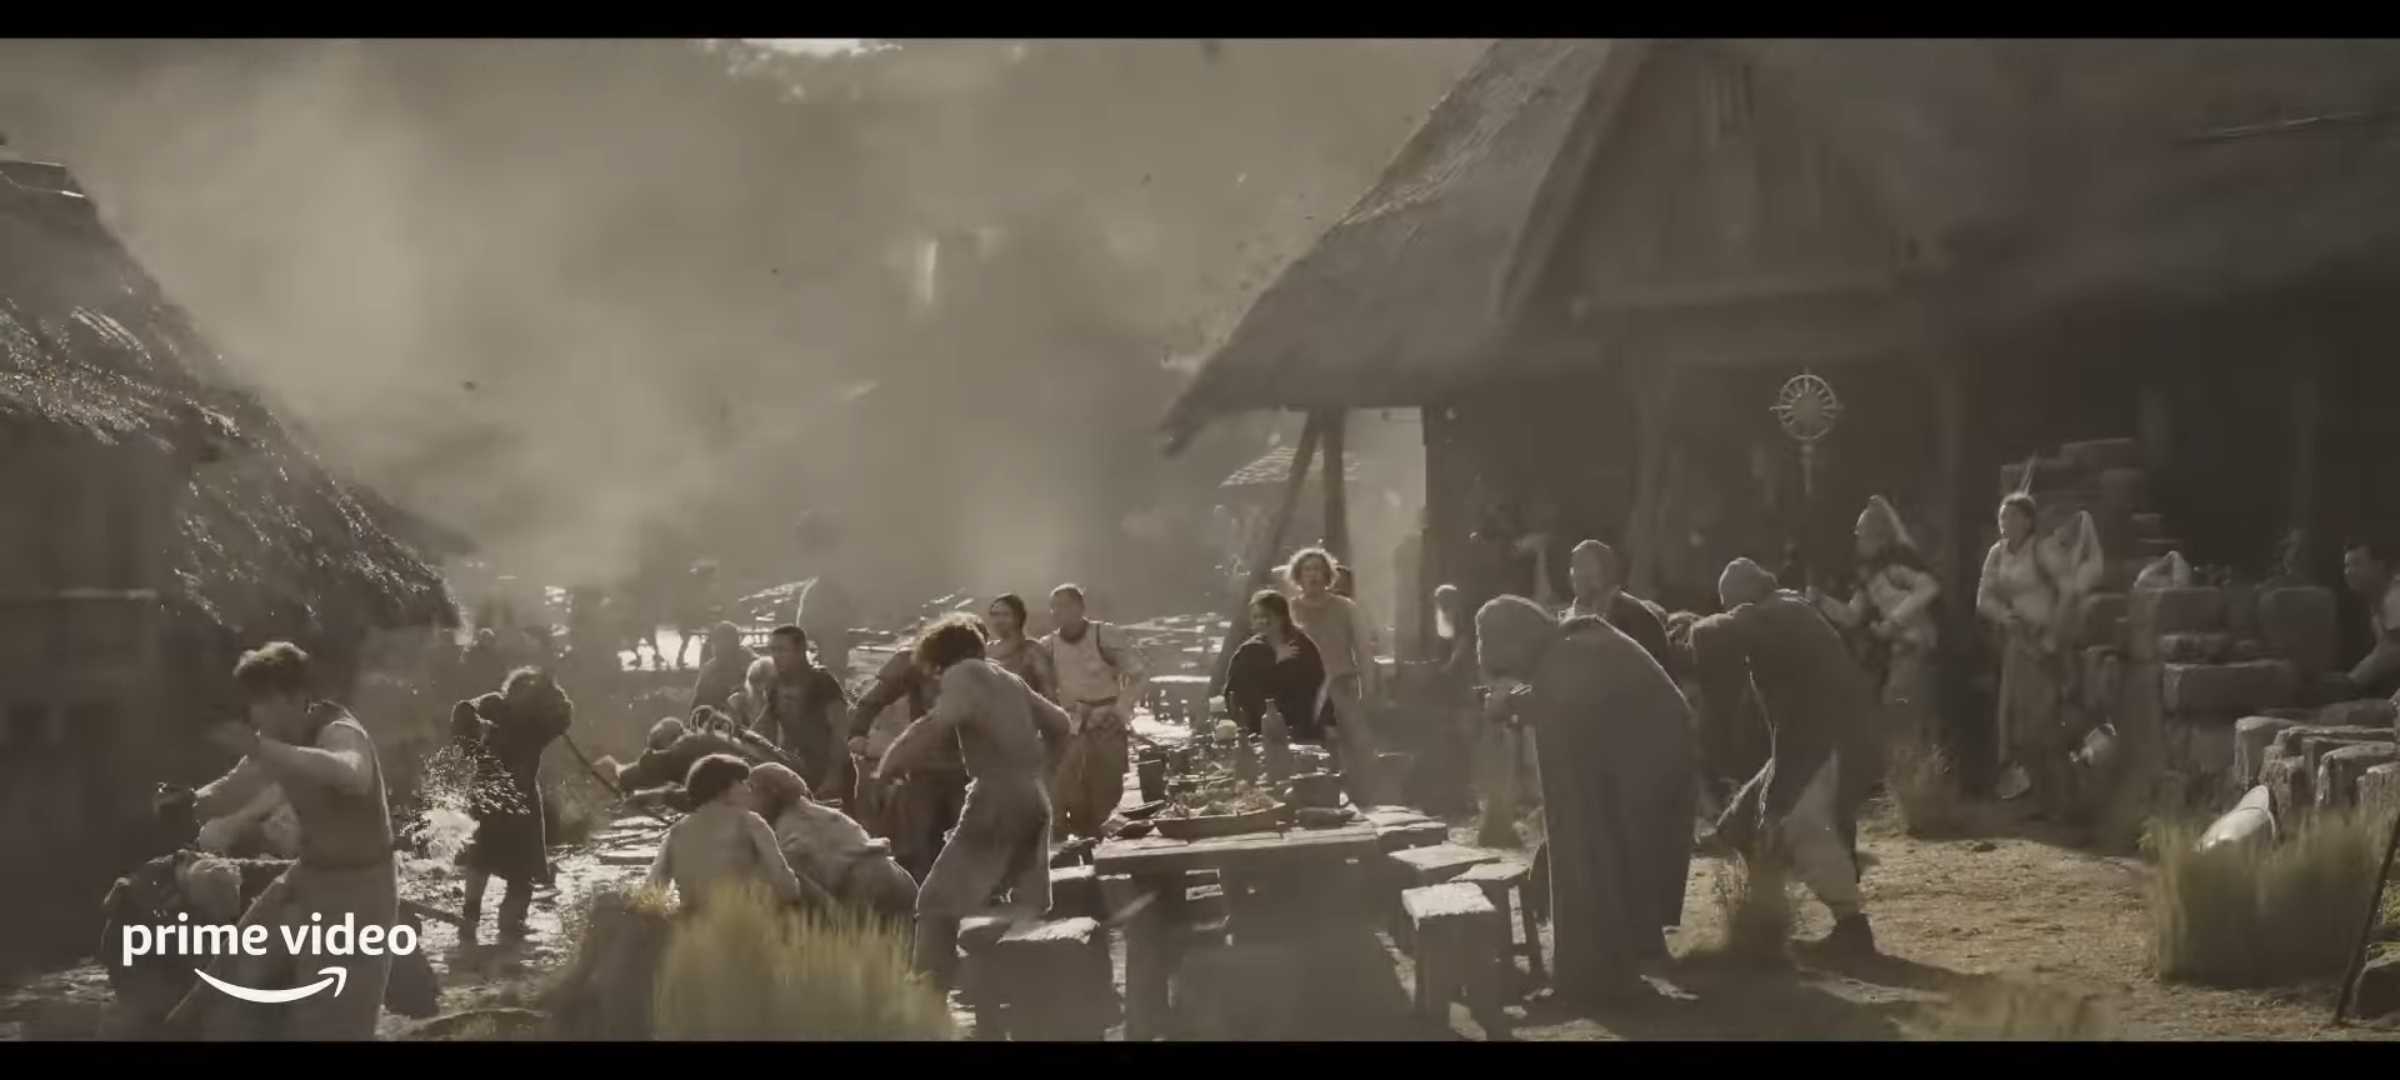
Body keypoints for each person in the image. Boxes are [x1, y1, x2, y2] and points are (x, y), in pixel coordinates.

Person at [160, 642, 397, 1040]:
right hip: (307, 877)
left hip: (362, 892)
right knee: (227, 976)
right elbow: (231, 790)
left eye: (264, 701)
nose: (256, 713)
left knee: (334, 1022)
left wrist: (262, 748)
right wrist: (188, 802)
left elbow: (351, 774)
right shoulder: (272, 741)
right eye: (253, 702)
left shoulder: (339, 730)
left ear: (295, 696)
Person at [1475, 596, 1695, 1005]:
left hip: (1650, 758)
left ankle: (1603, 976)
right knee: (1604, 852)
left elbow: (1563, 699)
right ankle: (1608, 968)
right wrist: (1518, 702)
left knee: (1601, 850)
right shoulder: (1568, 646)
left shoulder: (1573, 651)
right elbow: (1563, 697)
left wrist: (1512, 703)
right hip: (1644, 751)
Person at [879, 616, 1072, 988]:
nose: (933, 679)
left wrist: (891, 764)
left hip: (995, 801)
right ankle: (1011, 995)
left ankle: (928, 999)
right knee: (1019, 905)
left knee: (935, 903)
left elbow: (938, 722)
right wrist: (1041, 767)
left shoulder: (962, 673)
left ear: (940, 657)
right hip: (1033, 798)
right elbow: (1061, 725)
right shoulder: (1008, 678)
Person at [1707, 558, 1885, 956]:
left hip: (1823, 739)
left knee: (1803, 825)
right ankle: (1766, 921)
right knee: (1743, 823)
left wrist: (1700, 630)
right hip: (1815, 737)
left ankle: (1853, 928)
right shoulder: (1787, 612)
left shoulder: (1781, 617)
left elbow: (1796, 723)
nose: (1728, 610)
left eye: (1729, 602)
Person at [1812, 496, 1942, 746]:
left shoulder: (1897, 566)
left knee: (1902, 711)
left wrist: (1893, 622)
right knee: (1898, 712)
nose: (1859, 540)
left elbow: (1929, 587)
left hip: (1916, 647)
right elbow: (1852, 616)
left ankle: (1912, 764)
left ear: (1881, 538)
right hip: (1899, 651)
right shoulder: (1870, 575)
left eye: (1864, 535)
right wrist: (1822, 601)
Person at [457, 668, 573, 941]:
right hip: (497, 797)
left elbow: (564, 715)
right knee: (488, 860)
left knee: (514, 869)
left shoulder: (537, 721)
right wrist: (477, 727)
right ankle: (478, 921)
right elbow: (463, 712)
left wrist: (550, 688)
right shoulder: (494, 706)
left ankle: (504, 925)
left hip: (515, 800)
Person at [847, 633, 969, 880]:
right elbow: (873, 700)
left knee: (968, 838)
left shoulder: (981, 670)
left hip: (967, 765)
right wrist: (857, 733)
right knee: (916, 839)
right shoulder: (912, 662)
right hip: (925, 764)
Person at [1977, 493, 2070, 806]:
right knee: (2015, 717)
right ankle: (2027, 795)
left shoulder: (2042, 550)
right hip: (2017, 641)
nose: (2006, 523)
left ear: (2028, 521)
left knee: (2045, 718)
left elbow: (2069, 591)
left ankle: (2056, 797)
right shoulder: (1997, 553)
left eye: (2013, 516)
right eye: (2002, 516)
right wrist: (2006, 617)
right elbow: (1983, 599)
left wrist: (2053, 634)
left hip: (2045, 642)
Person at [646, 754, 826, 911]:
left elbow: (653, 887)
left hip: (693, 917)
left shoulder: (677, 830)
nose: (747, 789)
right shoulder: (750, 822)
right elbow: (787, 886)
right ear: (723, 789)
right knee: (803, 882)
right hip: (742, 918)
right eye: (741, 783)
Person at [747, 763, 918, 925]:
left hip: (866, 887)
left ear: (769, 792)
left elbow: (792, 876)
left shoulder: (792, 824)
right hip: (897, 878)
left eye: (751, 790)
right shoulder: (820, 812)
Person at [1043, 584, 1150, 840]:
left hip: (1107, 722)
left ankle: (1106, 845)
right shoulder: (1048, 646)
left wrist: (1121, 707)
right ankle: (1082, 844)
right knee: (1070, 794)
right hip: (1072, 726)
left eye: (1065, 605)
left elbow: (1139, 673)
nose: (1059, 612)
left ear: (1080, 607)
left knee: (1107, 790)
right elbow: (1043, 689)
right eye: (1055, 607)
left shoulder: (1105, 635)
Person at [1286, 550, 1377, 801]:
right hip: (1303, 691)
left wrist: (1368, 686)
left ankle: (1361, 798)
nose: (1313, 575)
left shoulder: (1345, 608)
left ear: (1327, 575)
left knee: (1356, 746)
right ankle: (1313, 798)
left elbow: (1362, 649)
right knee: (1307, 750)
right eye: (1307, 569)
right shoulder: (1290, 610)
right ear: (1298, 576)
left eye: (1318, 569)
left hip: (1341, 685)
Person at [1223, 589, 1333, 740]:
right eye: (1256, 617)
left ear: (1281, 617)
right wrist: (1273, 662)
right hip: (1259, 731)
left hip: (1302, 729)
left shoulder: (1302, 647)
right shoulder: (1248, 651)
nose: (1260, 622)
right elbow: (1234, 692)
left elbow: (1321, 685)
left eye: (1265, 616)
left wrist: (1328, 723)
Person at [759, 625, 853, 802]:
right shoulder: (775, 683)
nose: (775, 656)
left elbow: (840, 732)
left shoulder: (822, 682)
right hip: (795, 768)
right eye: (772, 650)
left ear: (800, 650)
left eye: (782, 650)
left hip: (829, 771)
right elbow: (764, 725)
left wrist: (833, 776)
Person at [1565, 540, 1677, 676]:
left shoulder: (1636, 616)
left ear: (1606, 573)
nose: (1576, 574)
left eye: (1584, 567)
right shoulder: (1568, 620)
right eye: (1575, 566)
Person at [2341, 540, 2400, 697]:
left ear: (2378, 566)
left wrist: (2350, 682)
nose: (2349, 572)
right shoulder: (2379, 599)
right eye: (2347, 566)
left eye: (2356, 564)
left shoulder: (2396, 596)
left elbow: (2392, 652)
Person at [985, 594, 1057, 701]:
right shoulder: (986, 651)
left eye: (1005, 614)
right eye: (995, 615)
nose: (999, 620)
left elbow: (1049, 694)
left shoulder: (1034, 651)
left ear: (1018, 618)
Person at [689, 622, 756, 716]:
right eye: (715, 644)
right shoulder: (709, 669)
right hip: (715, 716)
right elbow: (698, 702)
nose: (715, 649)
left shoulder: (751, 665)